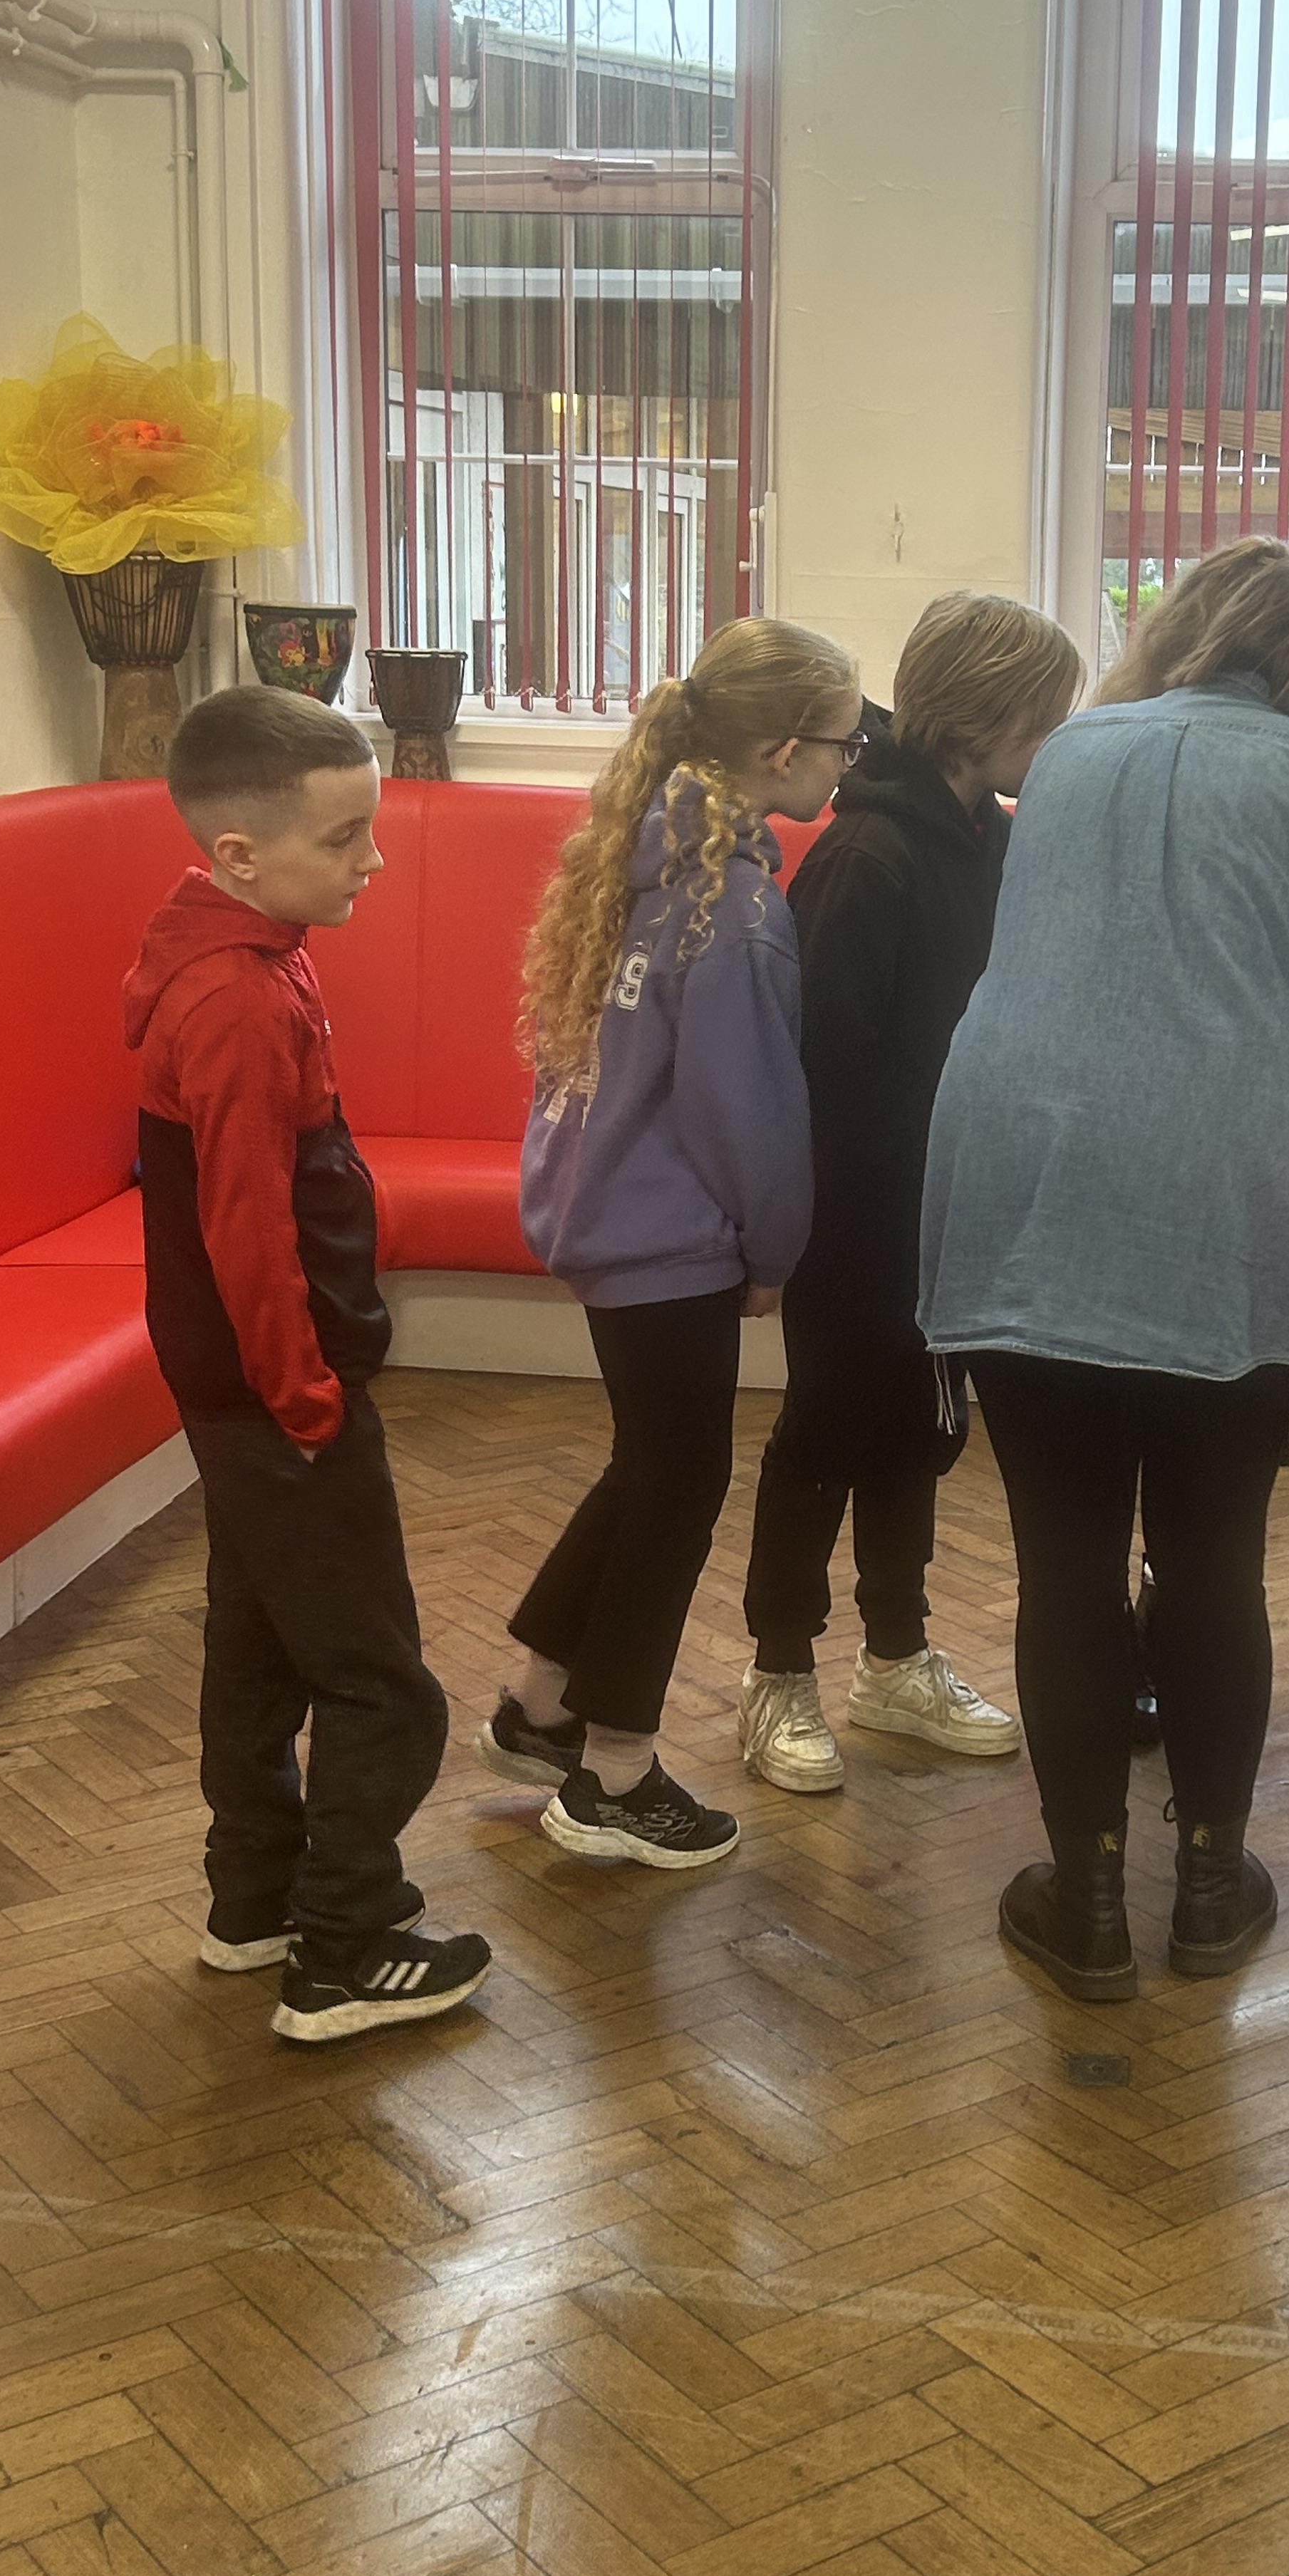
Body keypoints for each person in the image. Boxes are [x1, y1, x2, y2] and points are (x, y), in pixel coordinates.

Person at [918, 544, 1289, 2001]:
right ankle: (1211, 1884)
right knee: (1215, 1558)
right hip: (1222, 1213)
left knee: (1065, 1563)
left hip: (1016, 1192)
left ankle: (1084, 1897)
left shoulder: (1069, 755)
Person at [124, 687, 489, 2044]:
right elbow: (246, 1226)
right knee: (383, 1681)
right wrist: (308, 1401)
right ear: (238, 855)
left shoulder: (246, 945)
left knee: (260, 1643)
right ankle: (346, 1945)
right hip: (279, 1392)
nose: (373, 861)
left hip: (247, 1390)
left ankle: (255, 1903)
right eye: (344, 839)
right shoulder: (233, 995)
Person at [480, 618, 857, 1868]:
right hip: (673, 1239)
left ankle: (541, 1706)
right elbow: (749, 1110)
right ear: (782, 750)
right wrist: (774, 1247)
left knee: (649, 1468)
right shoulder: (734, 905)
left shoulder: (640, 859)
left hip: (610, 1220)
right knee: (678, 1492)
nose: (847, 767)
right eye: (843, 744)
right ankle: (616, 1775)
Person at [738, 593, 1084, 1790]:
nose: (1057, 742)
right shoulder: (868, 856)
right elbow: (819, 1068)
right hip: (861, 1215)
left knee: (920, 1432)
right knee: (826, 1434)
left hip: (954, 1206)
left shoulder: (993, 836)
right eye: (1045, 719)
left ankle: (895, 1655)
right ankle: (779, 1671)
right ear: (981, 719)